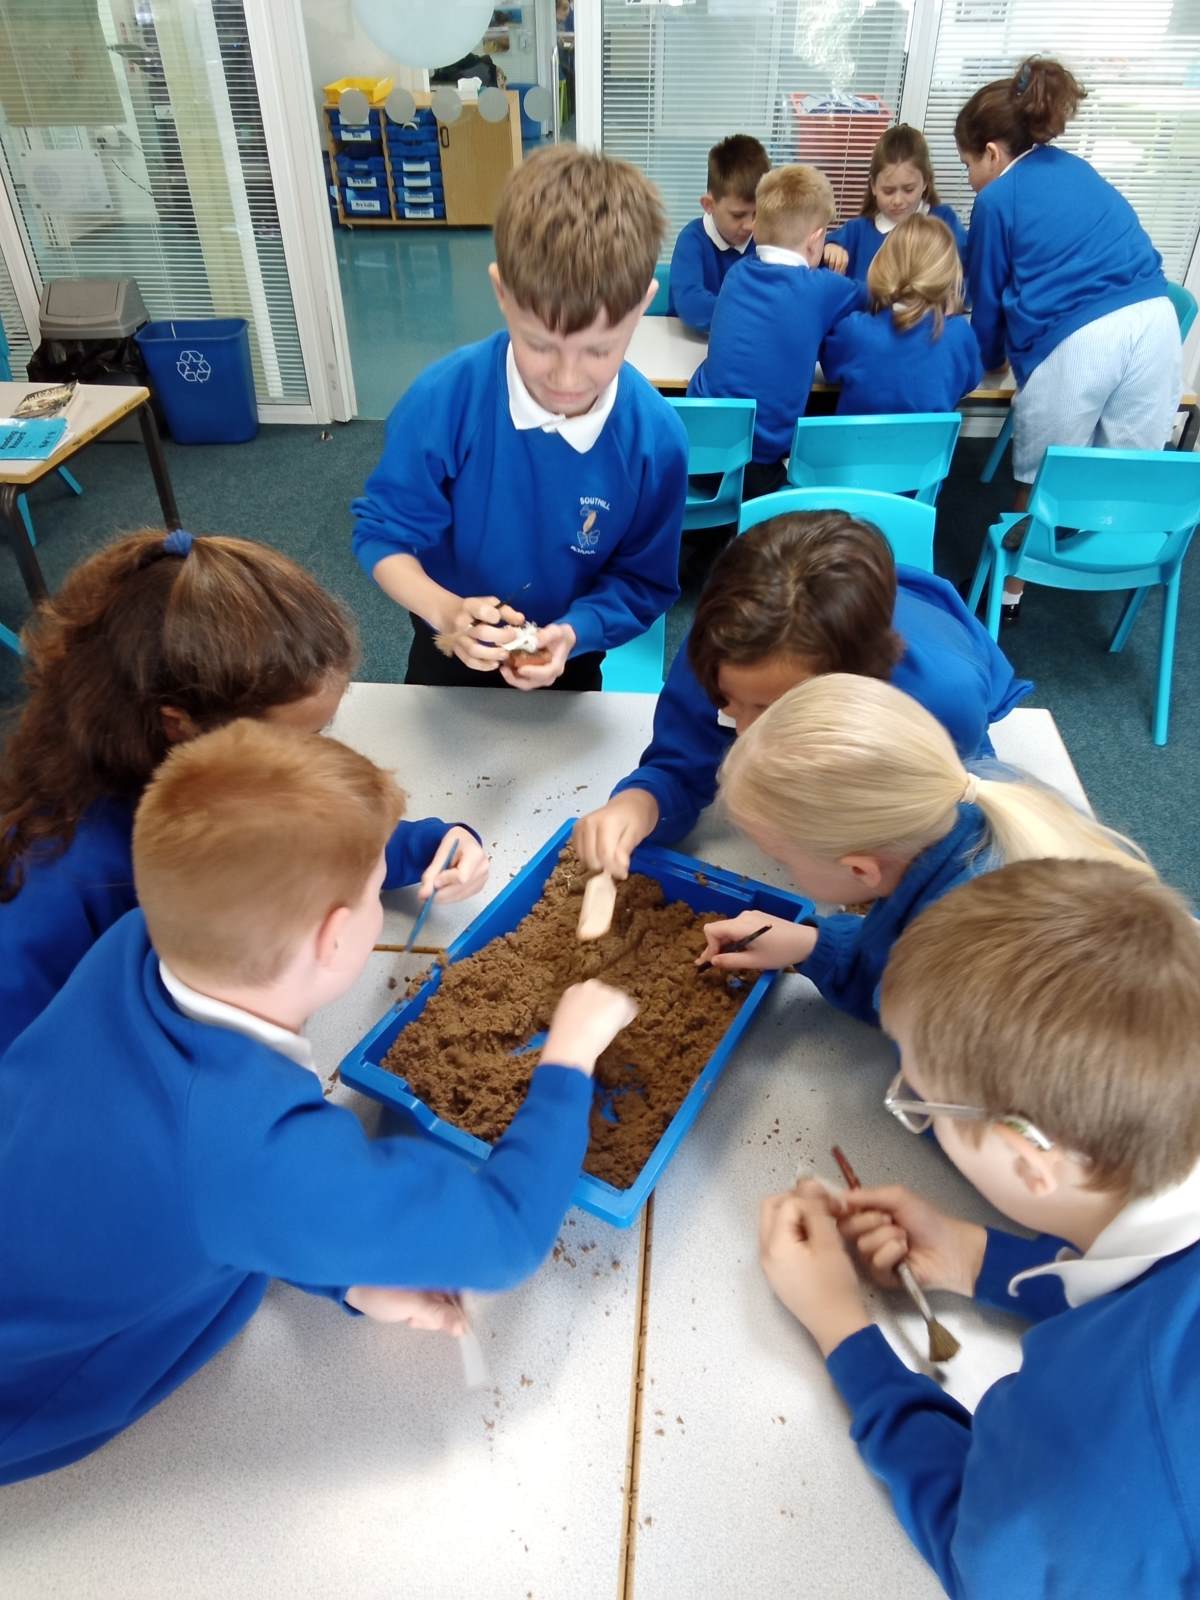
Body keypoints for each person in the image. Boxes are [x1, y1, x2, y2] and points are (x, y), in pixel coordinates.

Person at [0, 719, 637, 1484]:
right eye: (374, 892)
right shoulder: (253, 1147)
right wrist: (568, 1059)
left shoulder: (139, 939)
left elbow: (207, 1197)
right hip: (32, 1392)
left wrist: (349, 1277)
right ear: (337, 939)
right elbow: (503, 1239)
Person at [758, 859, 1200, 1594]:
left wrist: (843, 1330)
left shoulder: (1109, 1454)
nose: (912, 1104)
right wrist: (977, 1258)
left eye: (918, 1100)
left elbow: (986, 1563)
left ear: (1027, 1160)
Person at [0, 529, 489, 1057]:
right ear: (179, 725)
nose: (309, 758)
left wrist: (427, 845)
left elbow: (302, 832)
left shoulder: (233, 779)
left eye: (319, 735)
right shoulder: (48, 883)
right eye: (295, 741)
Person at [351, 145, 687, 691]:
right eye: (540, 344)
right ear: (502, 294)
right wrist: (446, 611)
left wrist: (575, 633)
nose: (567, 377)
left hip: (572, 658)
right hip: (446, 645)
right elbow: (383, 537)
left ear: (643, 303)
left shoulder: (656, 442)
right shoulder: (444, 399)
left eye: (599, 350)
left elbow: (642, 583)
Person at [573, 513, 1028, 879]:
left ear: (852, 688)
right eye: (729, 702)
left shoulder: (940, 702)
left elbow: (960, 799)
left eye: (769, 710)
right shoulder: (725, 651)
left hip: (935, 643)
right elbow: (680, 766)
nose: (742, 729)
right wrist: (639, 804)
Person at [697, 673, 1152, 1026]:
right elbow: (897, 950)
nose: (782, 869)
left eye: (782, 860)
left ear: (861, 870)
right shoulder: (970, 805)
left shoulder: (954, 978)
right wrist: (813, 945)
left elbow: (955, 1103)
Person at [956, 56, 1181, 623]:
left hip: (1082, 340)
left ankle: (1008, 594)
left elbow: (987, 299)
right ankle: (1113, 568)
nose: (970, 178)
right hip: (1155, 321)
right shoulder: (1077, 168)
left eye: (968, 165)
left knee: (1042, 478)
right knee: (1123, 468)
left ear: (991, 153)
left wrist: (986, 364)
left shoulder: (995, 199)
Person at [687, 165, 864, 499]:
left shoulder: (736, 274)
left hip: (700, 456)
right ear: (816, 239)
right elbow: (873, 295)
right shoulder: (822, 288)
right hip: (759, 472)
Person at [822, 213, 983, 416]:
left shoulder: (853, 331)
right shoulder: (959, 335)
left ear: (884, 265)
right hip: (928, 438)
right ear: (948, 274)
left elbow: (830, 370)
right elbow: (969, 381)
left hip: (856, 438)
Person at [824, 124, 966, 281]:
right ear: (873, 186)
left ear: (925, 182)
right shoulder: (857, 231)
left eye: (908, 190)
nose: (898, 201)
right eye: (888, 191)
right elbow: (815, 253)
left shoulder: (945, 220)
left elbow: (967, 272)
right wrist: (830, 249)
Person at [668, 134, 771, 335]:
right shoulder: (691, 240)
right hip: (686, 344)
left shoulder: (765, 240)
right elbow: (691, 304)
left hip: (743, 342)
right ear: (709, 205)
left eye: (757, 213)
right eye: (738, 215)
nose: (750, 225)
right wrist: (753, 314)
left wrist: (831, 244)